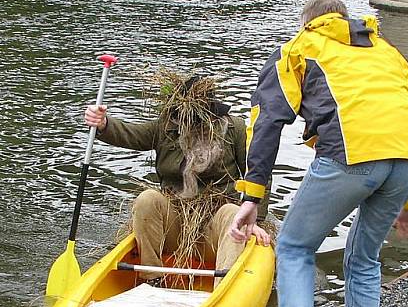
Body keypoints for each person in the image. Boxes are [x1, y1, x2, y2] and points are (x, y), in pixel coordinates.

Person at [229, 0, 408, 307]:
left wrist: (251, 194)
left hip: (351, 155)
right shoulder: (388, 51)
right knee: (363, 260)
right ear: (343, 18)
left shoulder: (299, 47)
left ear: (308, 22)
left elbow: (267, 119)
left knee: (295, 246)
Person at [84, 74, 269, 284]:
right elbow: (130, 134)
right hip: (175, 225)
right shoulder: (165, 128)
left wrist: (256, 220)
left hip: (216, 229)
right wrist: (103, 124)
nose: (191, 126)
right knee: (147, 199)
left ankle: (223, 287)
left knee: (234, 213)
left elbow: (258, 173)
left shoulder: (234, 128)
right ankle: (151, 278)